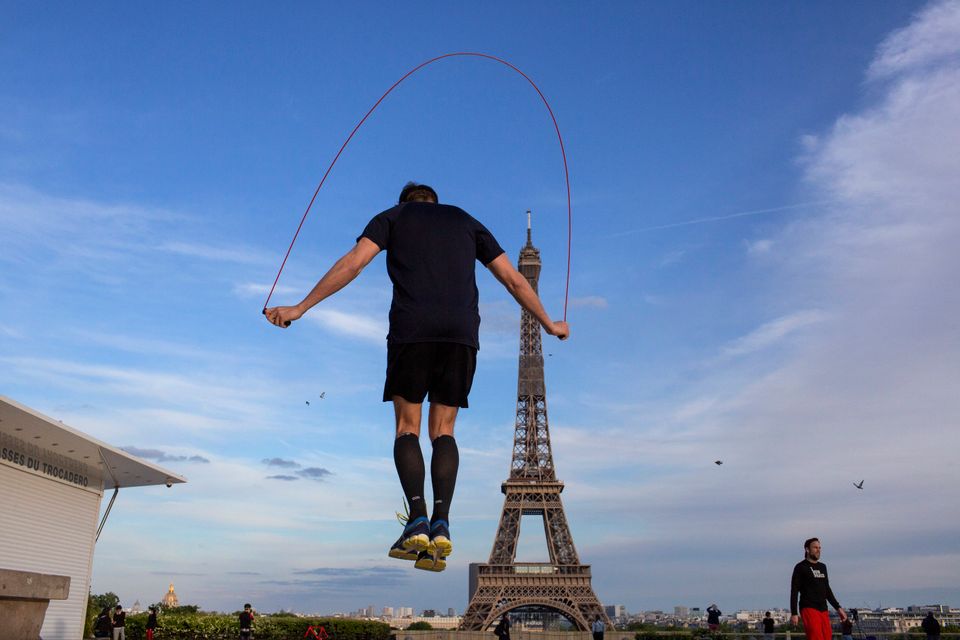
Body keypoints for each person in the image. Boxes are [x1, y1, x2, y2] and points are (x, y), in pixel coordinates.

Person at [265, 183, 569, 572]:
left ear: (404, 202)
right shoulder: (465, 221)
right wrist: (548, 323)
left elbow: (353, 264)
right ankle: (442, 523)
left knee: (408, 427)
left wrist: (301, 306)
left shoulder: (392, 217)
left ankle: (418, 518)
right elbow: (513, 280)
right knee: (443, 430)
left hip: (412, 330)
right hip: (461, 335)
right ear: (435, 204)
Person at [790, 537, 847, 640]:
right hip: (809, 607)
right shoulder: (800, 567)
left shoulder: (823, 567)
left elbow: (827, 590)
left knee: (827, 636)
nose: (818, 550)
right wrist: (794, 613)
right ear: (807, 549)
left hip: (823, 609)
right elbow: (794, 591)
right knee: (816, 637)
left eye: (820, 548)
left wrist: (838, 608)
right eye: (815, 547)